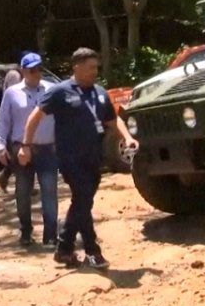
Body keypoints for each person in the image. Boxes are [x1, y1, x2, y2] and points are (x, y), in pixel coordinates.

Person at [21, 48, 138, 270]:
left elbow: (113, 121)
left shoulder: (100, 93)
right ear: (77, 67)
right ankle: (93, 251)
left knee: (83, 203)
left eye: (97, 67)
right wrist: (26, 145)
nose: (95, 71)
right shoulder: (60, 92)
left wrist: (128, 138)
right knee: (83, 199)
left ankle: (64, 250)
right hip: (69, 158)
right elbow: (34, 118)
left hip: (94, 158)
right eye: (91, 67)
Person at [0, 53, 57, 247]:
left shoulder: (52, 90)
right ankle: (26, 231)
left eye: (39, 69)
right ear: (23, 71)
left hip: (47, 149)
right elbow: (4, 121)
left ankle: (51, 235)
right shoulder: (12, 93)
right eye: (31, 70)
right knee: (22, 192)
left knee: (49, 190)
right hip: (21, 150)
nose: (36, 73)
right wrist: (0, 144)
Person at [0, 67, 22, 193]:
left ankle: (5, 176)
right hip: (11, 121)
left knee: (16, 155)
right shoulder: (14, 75)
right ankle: (22, 186)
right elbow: (15, 95)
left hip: (12, 120)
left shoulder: (14, 74)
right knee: (17, 154)